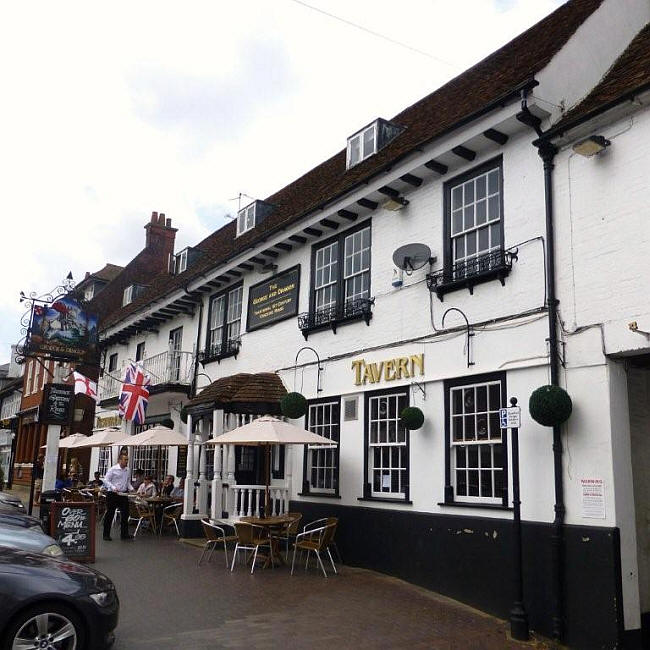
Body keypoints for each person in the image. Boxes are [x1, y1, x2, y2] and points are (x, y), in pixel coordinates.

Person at [102, 452, 135, 541]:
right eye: (125, 460)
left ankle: (124, 534)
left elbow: (127, 482)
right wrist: (113, 487)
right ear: (120, 460)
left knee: (125, 514)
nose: (127, 461)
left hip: (123, 494)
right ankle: (106, 534)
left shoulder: (127, 470)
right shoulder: (113, 469)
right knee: (110, 514)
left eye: (127, 460)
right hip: (113, 494)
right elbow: (105, 480)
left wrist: (131, 489)